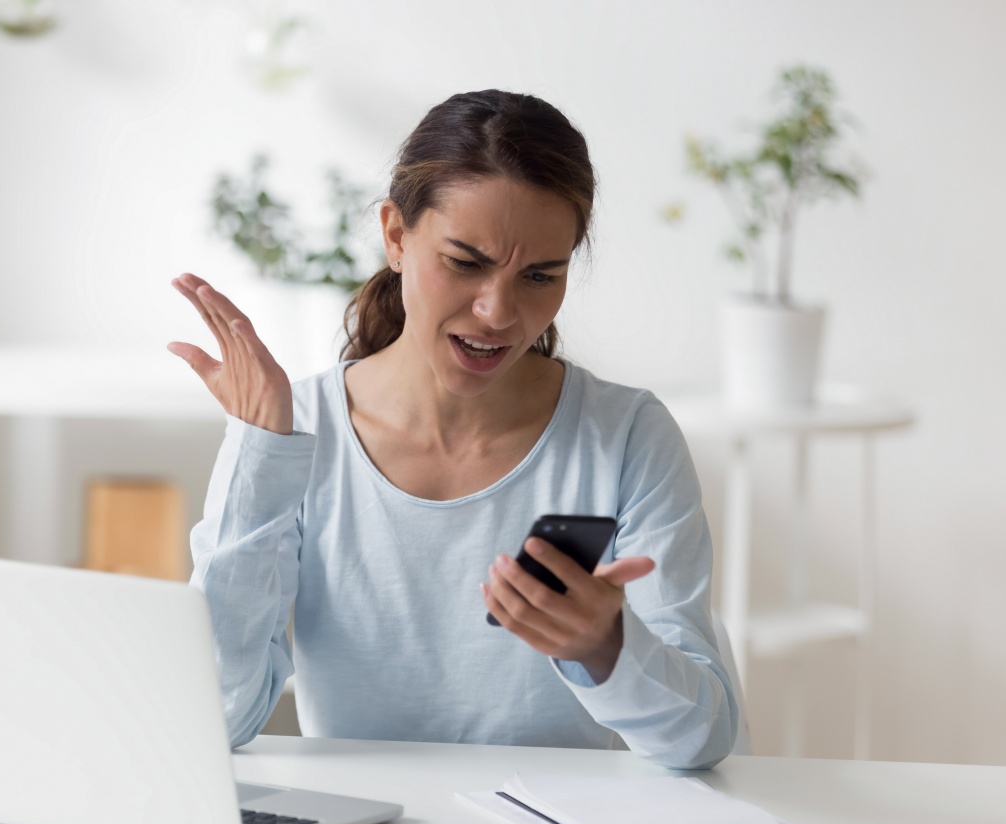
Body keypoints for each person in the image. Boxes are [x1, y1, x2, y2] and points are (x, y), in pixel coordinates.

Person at [168, 90, 738, 770]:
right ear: (395, 236)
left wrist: (606, 649)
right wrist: (259, 454)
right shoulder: (300, 430)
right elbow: (217, 717)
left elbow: (703, 737)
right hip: (365, 821)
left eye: (539, 276)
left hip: (552, 822)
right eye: (466, 263)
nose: (498, 312)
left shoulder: (626, 436)